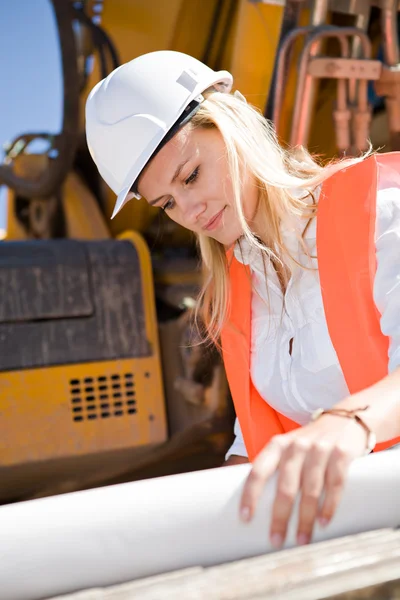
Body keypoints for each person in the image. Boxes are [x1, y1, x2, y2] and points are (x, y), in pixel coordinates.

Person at [85, 50, 400, 549]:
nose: (188, 210)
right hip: (352, 538)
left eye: (190, 176)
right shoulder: (240, 287)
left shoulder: (379, 210)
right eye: (167, 203)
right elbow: (255, 435)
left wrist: (350, 424)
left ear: (231, 124)